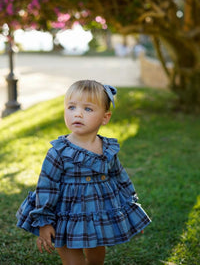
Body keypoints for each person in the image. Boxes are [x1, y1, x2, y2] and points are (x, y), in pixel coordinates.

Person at [16, 80, 151, 265]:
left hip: (98, 214)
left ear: (105, 117)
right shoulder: (59, 151)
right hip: (67, 215)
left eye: (88, 109)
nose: (78, 113)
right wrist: (44, 221)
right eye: (71, 107)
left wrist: (132, 209)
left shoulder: (107, 149)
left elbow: (120, 177)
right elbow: (46, 187)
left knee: (96, 259)